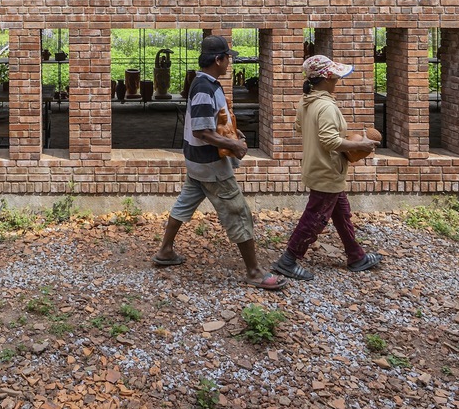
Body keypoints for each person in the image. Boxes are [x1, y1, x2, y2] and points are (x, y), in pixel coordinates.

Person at [151, 35, 287, 291]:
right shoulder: (204, 89)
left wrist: (235, 135)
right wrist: (234, 146)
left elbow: (217, 122)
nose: (229, 63)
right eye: (228, 58)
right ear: (218, 59)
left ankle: (165, 251)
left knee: (184, 203)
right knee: (237, 211)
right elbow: (203, 131)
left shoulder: (207, 84)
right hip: (211, 164)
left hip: (197, 162)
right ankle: (255, 272)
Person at [271, 55, 382, 280]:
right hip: (327, 169)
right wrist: (361, 144)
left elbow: (300, 128)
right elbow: (330, 141)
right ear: (326, 77)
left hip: (318, 166)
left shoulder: (307, 101)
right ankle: (288, 260)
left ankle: (355, 256)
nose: (337, 79)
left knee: (342, 214)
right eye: (334, 75)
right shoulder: (326, 106)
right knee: (316, 217)